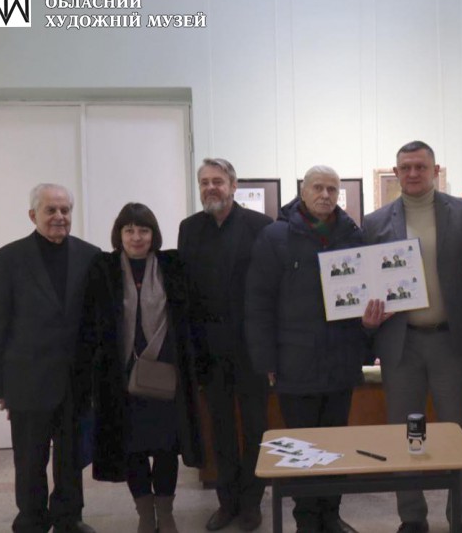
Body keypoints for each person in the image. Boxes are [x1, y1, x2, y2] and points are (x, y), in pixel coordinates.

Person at [362, 140, 462, 533]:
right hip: (402, 344)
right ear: (396, 172)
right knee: (406, 432)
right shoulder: (375, 222)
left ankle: (461, 516)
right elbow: (366, 282)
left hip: (451, 342)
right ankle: (412, 517)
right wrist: (368, 317)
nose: (413, 173)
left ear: (435, 171)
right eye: (406, 167)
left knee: (458, 432)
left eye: (420, 166)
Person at [245, 165, 365, 533]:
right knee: (303, 448)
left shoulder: (352, 235)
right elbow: (258, 302)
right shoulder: (275, 236)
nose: (325, 195)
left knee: (336, 445)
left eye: (332, 189)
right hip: (294, 361)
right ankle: (307, 521)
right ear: (303, 191)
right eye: (318, 187)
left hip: (340, 360)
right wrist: (265, 359)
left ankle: (331, 515)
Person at [0, 183, 100, 533]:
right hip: (27, 379)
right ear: (33, 215)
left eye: (65, 210)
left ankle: (69, 517)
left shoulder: (91, 256)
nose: (59, 216)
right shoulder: (7, 259)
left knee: (70, 457)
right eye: (51, 210)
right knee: (30, 459)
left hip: (76, 380)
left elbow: (97, 321)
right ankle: (31, 518)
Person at [80, 203, 204, 533]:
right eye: (129, 230)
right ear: (119, 234)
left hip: (166, 376)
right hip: (120, 378)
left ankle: (166, 513)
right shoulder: (104, 268)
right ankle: (145, 515)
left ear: (154, 234)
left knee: (166, 449)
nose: (137, 237)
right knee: (131, 449)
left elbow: (190, 318)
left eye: (144, 230)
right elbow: (90, 323)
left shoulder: (171, 265)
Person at [177, 158, 273, 532]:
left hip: (251, 349)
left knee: (255, 428)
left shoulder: (260, 227)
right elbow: (186, 291)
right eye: (204, 182)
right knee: (219, 429)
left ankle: (251, 503)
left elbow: (269, 291)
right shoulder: (189, 229)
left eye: (217, 181)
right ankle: (227, 501)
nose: (210, 188)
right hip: (208, 349)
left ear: (234, 185)